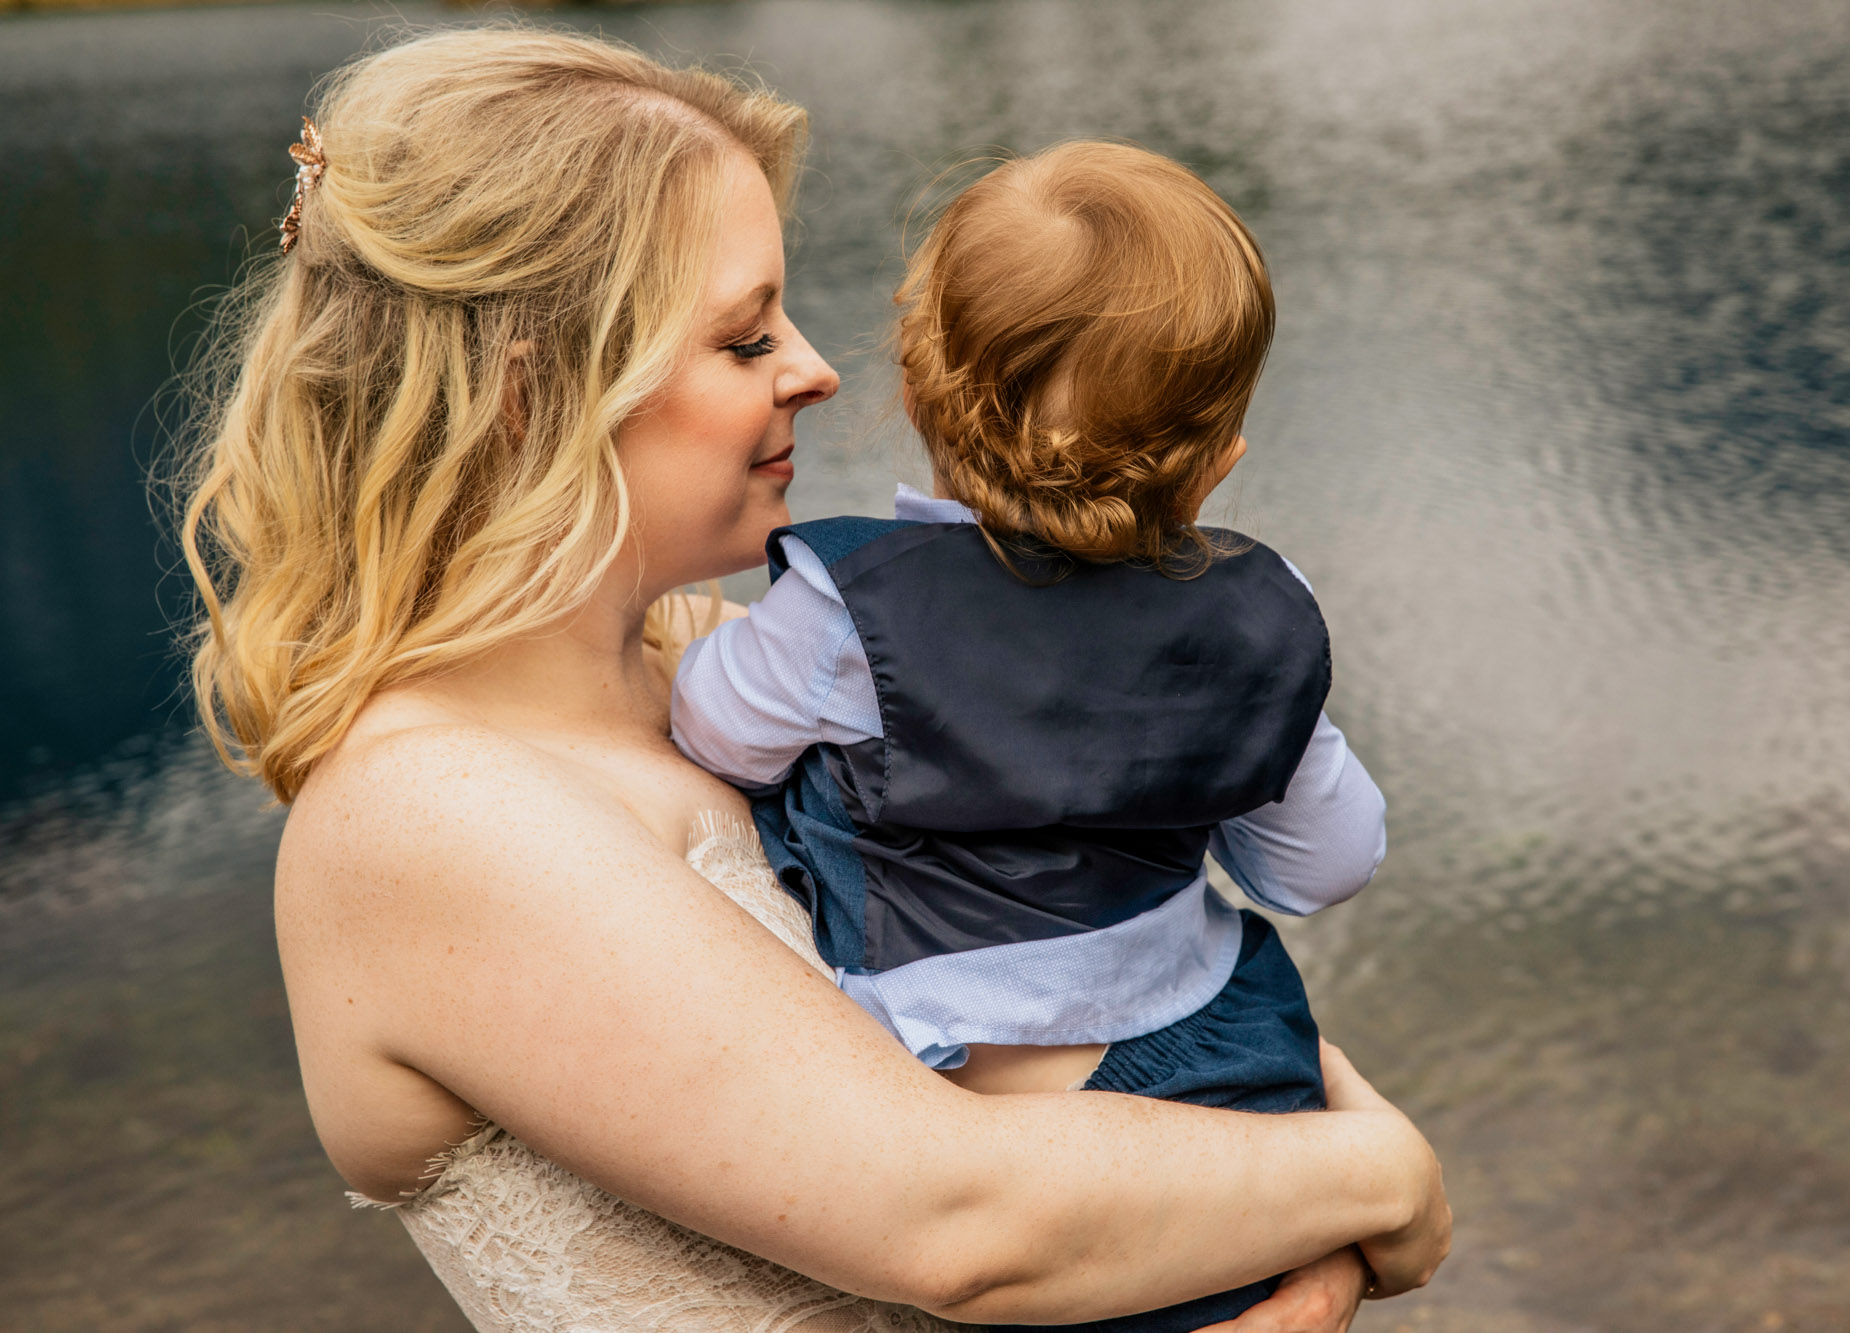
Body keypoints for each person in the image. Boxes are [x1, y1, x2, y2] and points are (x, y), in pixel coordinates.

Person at [175, 26, 1449, 1333]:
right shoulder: (430, 809)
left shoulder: (700, 660)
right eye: (743, 339)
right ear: (533, 390)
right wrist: (1371, 1172)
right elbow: (956, 1219)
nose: (819, 368)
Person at [670, 141, 1387, 1333]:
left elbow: (717, 731)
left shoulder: (852, 609)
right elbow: (1324, 864)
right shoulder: (1261, 613)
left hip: (1001, 1121)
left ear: (917, 387)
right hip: (1236, 1058)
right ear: (1220, 453)